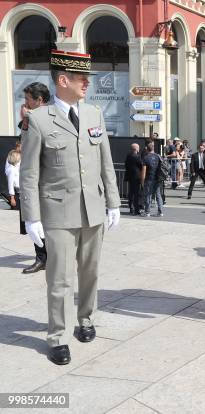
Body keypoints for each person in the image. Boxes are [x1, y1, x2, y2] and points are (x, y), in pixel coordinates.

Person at [20, 50, 121, 365]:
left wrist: (114, 203)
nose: (87, 83)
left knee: (90, 272)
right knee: (60, 278)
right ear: (63, 80)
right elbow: (30, 174)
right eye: (81, 78)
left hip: (93, 209)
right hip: (58, 214)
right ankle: (58, 337)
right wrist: (31, 217)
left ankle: (86, 318)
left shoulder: (94, 114)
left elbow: (105, 162)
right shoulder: (38, 119)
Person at [17, 83, 51, 273]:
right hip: (32, 179)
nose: (25, 103)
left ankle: (50, 257)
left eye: (28, 99)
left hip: (47, 179)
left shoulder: (53, 117)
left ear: (39, 100)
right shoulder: (30, 119)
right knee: (34, 221)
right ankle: (42, 257)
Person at [141, 142, 164, 217]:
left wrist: (142, 181)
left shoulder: (146, 158)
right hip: (158, 178)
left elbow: (144, 171)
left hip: (149, 179)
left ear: (147, 149)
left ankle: (147, 212)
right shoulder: (158, 156)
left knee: (148, 195)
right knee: (158, 195)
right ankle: (160, 212)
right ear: (153, 148)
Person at [124, 143, 143, 215]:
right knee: (136, 194)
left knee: (131, 193)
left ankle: (131, 208)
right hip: (136, 177)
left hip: (130, 177)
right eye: (138, 148)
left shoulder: (128, 156)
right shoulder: (137, 157)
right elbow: (141, 166)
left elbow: (126, 165)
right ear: (136, 149)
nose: (139, 149)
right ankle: (136, 210)